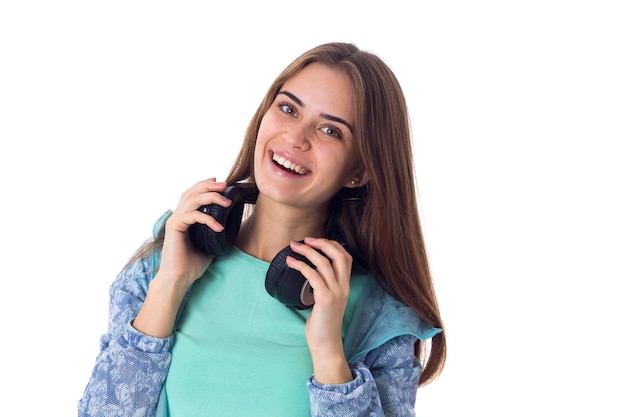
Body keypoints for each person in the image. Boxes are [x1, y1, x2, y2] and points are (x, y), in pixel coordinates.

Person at [78, 42, 446, 417]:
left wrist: (329, 354)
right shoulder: (162, 262)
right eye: (288, 109)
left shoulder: (378, 314)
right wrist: (169, 285)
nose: (295, 138)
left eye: (330, 131)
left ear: (359, 172)